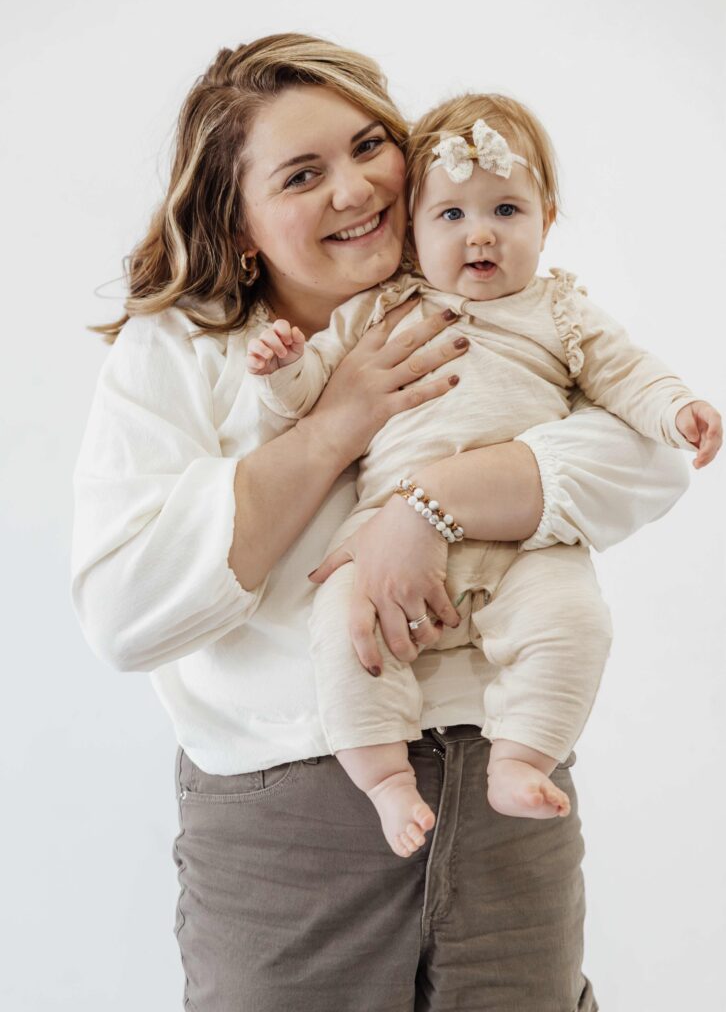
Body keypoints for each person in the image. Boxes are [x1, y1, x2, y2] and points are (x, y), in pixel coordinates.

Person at [71, 34, 692, 1011]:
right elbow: (126, 611)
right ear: (238, 224)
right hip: (293, 824)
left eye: (369, 146)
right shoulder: (177, 356)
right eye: (304, 173)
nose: (356, 189)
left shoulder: (491, 297)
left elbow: (653, 456)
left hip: (503, 787)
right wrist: (334, 427)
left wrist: (422, 507)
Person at [244, 91, 722, 858]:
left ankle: (522, 756)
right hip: (380, 537)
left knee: (575, 623)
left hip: (524, 540)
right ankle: (383, 779)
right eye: (451, 216)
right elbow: (306, 401)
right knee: (343, 627)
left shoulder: (560, 311)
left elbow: (625, 373)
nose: (481, 236)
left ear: (548, 219)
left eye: (505, 209)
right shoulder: (380, 307)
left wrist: (676, 409)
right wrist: (285, 367)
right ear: (412, 230)